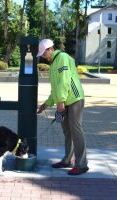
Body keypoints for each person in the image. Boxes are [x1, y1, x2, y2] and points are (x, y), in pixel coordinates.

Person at [36, 39, 89, 175]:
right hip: (64, 101)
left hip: (74, 99)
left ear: (50, 49)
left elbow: (64, 81)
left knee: (76, 130)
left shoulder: (63, 58)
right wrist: (46, 104)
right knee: (67, 131)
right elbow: (55, 88)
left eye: (43, 53)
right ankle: (67, 160)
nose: (43, 56)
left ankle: (81, 164)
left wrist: (61, 101)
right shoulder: (53, 64)